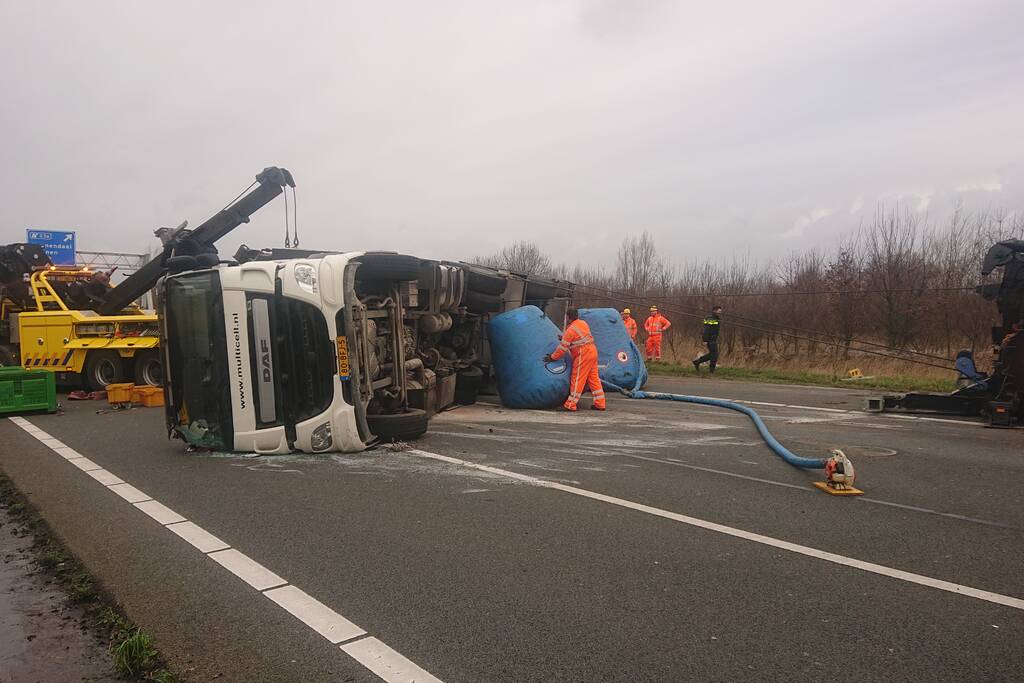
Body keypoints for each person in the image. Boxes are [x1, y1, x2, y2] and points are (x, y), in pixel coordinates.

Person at [544, 308, 606, 411]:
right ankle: (600, 404)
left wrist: (552, 357)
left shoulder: (571, 330)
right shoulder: (583, 323)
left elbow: (562, 349)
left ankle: (570, 405)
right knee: (594, 378)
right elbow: (578, 337)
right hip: (592, 351)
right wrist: (565, 337)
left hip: (583, 354)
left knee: (577, 378)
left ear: (568, 317)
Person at [693, 305, 723, 373]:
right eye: (719, 311)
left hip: (713, 339)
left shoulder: (716, 318)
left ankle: (697, 362)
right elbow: (706, 330)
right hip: (710, 339)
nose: (720, 313)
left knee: (713, 354)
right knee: (714, 355)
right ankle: (711, 370)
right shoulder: (710, 318)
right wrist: (705, 340)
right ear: (714, 311)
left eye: (720, 312)